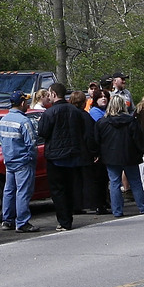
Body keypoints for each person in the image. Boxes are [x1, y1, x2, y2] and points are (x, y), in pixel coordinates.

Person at [95, 95, 144, 217]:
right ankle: (143, 207)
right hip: (130, 156)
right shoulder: (131, 120)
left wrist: (97, 154)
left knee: (114, 183)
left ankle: (117, 210)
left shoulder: (102, 123)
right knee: (135, 182)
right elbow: (138, 139)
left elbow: (97, 140)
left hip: (110, 157)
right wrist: (141, 151)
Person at [37, 82, 87, 231]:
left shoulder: (49, 113)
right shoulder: (76, 111)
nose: (48, 96)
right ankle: (68, 218)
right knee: (70, 188)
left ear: (53, 94)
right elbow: (82, 130)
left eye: (49, 93)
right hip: (73, 155)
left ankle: (64, 220)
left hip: (56, 157)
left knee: (58, 190)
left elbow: (42, 132)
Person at [0, 90, 40, 233]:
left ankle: (7, 220)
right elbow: (31, 143)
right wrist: (32, 158)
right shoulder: (24, 121)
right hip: (23, 162)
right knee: (23, 192)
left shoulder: (3, 120)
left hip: (9, 161)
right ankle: (22, 222)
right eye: (26, 102)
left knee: (9, 191)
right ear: (22, 103)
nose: (27, 104)